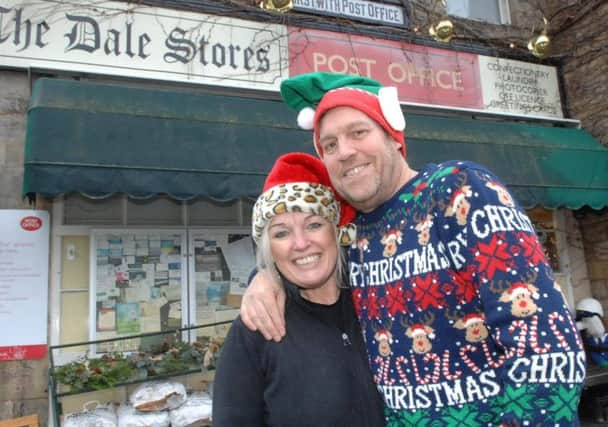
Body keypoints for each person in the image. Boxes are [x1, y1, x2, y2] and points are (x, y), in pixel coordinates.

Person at [240, 72, 586, 425]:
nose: (344, 151)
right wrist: (265, 276)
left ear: (393, 136)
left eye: (358, 132)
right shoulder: (352, 235)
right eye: (329, 145)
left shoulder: (460, 191)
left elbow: (547, 348)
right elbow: (303, 255)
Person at [212, 152, 385, 426]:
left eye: (314, 225)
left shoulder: (380, 300)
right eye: (281, 233)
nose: (301, 243)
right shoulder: (256, 329)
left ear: (337, 231)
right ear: (270, 250)